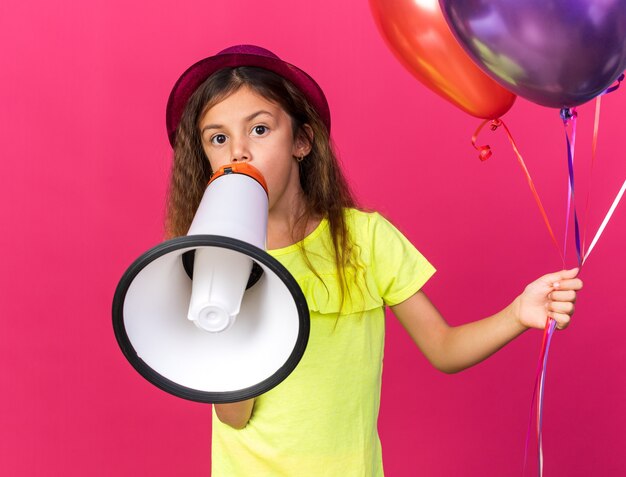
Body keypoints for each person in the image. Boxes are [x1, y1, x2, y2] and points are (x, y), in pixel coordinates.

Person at [164, 45, 583, 476]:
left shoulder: (364, 239)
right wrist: (233, 290)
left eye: (259, 130)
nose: (239, 152)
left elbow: (444, 349)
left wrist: (517, 313)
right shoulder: (208, 257)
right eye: (218, 138)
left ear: (302, 141)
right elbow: (233, 415)